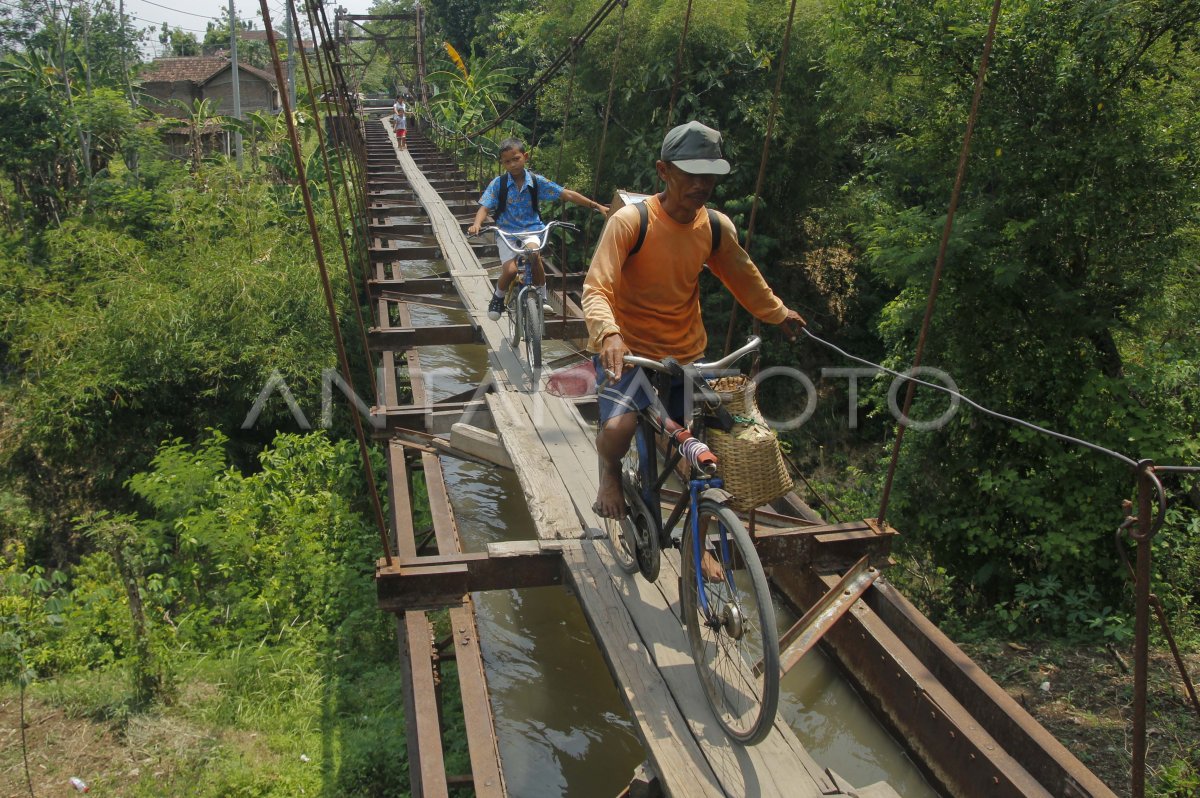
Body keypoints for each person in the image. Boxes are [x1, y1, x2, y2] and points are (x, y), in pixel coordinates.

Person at [582, 120, 805, 521]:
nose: (702, 184)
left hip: (686, 353)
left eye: (710, 175)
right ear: (664, 171)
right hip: (629, 352)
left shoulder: (716, 227)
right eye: (692, 173)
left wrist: (777, 313)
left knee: (695, 452)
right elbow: (597, 287)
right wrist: (609, 334)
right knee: (618, 429)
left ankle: (697, 543)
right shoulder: (632, 222)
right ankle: (611, 472)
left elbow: (744, 275)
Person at [467, 137, 609, 320]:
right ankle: (497, 297)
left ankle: (542, 298)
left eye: (516, 158)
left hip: (532, 230)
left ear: (525, 157)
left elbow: (566, 194)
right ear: (503, 164)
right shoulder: (499, 184)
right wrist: (477, 224)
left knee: (534, 256)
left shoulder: (536, 181)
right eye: (507, 161)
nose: (512, 164)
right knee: (510, 271)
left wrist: (596, 206)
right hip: (507, 233)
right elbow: (484, 208)